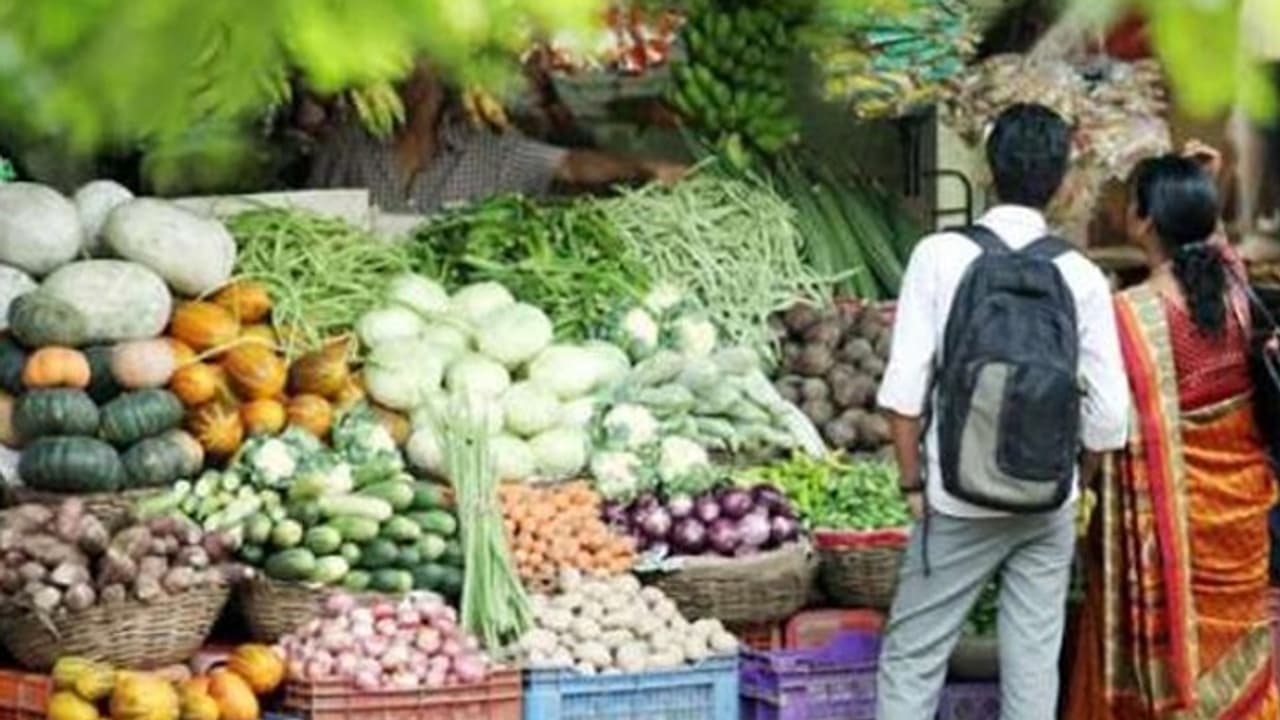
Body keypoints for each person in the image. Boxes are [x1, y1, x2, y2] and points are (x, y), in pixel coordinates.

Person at [875, 103, 1130, 720]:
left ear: (988, 172)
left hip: (957, 501)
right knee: (1033, 664)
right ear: (1065, 182)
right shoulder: (1083, 276)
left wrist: (915, 487)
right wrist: (1077, 485)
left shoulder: (938, 256)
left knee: (913, 658)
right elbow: (1110, 417)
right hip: (1048, 501)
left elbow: (902, 395)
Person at [1066, 152, 1279, 719]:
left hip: (1168, 531)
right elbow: (1211, 242)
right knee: (1242, 644)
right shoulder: (1238, 294)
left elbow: (1102, 421)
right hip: (1240, 521)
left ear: (1142, 220)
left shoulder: (1127, 316)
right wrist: (1198, 189)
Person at [307, 64, 686, 214]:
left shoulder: (488, 151)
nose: (410, 83)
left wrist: (641, 166)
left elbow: (569, 164)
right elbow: (311, 213)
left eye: (423, 72)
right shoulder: (348, 147)